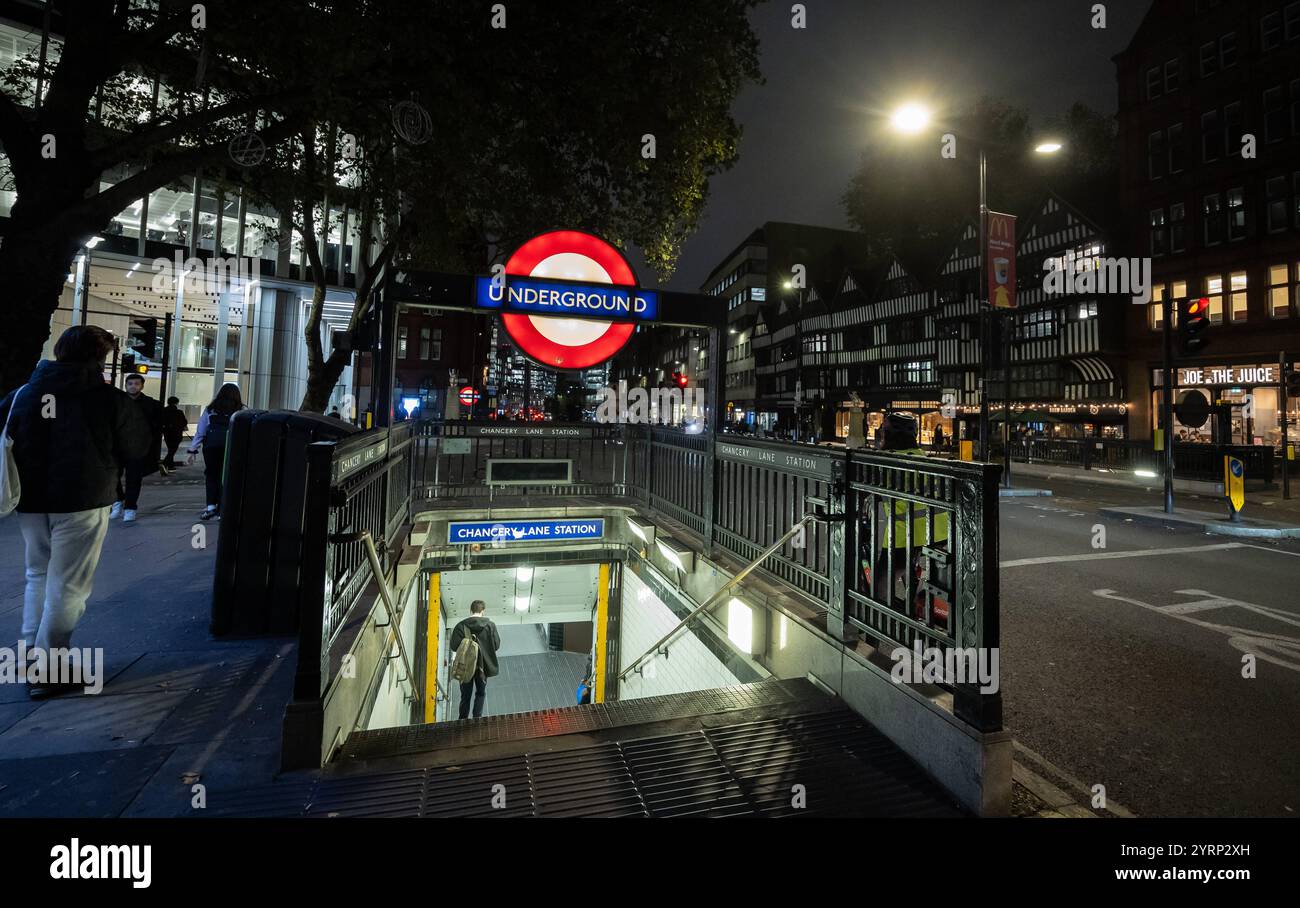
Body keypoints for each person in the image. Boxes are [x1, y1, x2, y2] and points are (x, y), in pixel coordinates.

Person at [0, 326, 150, 697]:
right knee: (69, 585)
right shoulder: (107, 399)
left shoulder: (23, 394)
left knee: (38, 575)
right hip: (83, 499)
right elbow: (137, 447)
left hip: (31, 500)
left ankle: (32, 657)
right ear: (98, 357)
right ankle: (49, 669)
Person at [186, 383, 244, 520]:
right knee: (227, 477)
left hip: (211, 447)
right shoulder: (240, 410)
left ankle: (210, 506)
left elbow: (201, 431)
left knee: (212, 475)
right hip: (231, 446)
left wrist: (192, 450)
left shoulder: (211, 409)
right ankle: (222, 509)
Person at [111, 373, 162, 522]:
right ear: (126, 385)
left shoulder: (150, 404)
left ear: (142, 386)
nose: (133, 386)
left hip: (139, 447)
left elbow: (156, 427)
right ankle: (118, 501)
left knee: (133, 479)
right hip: (117, 447)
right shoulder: (117, 402)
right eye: (130, 383)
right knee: (113, 477)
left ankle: (130, 507)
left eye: (136, 383)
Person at [448, 600, 501, 719]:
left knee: (465, 695)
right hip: (483, 667)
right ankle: (477, 718)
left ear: (470, 611)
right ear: (483, 611)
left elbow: (453, 646)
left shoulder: (461, 626)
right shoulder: (490, 625)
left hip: (466, 665)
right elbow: (497, 645)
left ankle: (462, 719)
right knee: (480, 693)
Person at [161, 396, 188, 470]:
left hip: (167, 433)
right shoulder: (179, 412)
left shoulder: (163, 411)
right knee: (173, 450)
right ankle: (164, 463)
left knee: (170, 449)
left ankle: (170, 466)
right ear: (176, 403)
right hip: (177, 434)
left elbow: (161, 421)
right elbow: (184, 422)